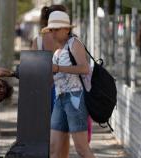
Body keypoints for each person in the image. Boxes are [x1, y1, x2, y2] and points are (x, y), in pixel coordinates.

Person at [44, 11, 95, 158]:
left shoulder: (74, 43)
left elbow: (84, 68)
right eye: (51, 30)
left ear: (67, 29)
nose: (53, 33)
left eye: (57, 29)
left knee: (82, 149)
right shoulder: (57, 51)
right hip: (60, 99)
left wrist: (58, 68)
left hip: (75, 99)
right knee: (53, 149)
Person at [31, 5, 70, 158]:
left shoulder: (38, 40)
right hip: (64, 90)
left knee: (44, 132)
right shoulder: (69, 40)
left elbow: (33, 69)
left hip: (43, 92)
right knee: (64, 133)